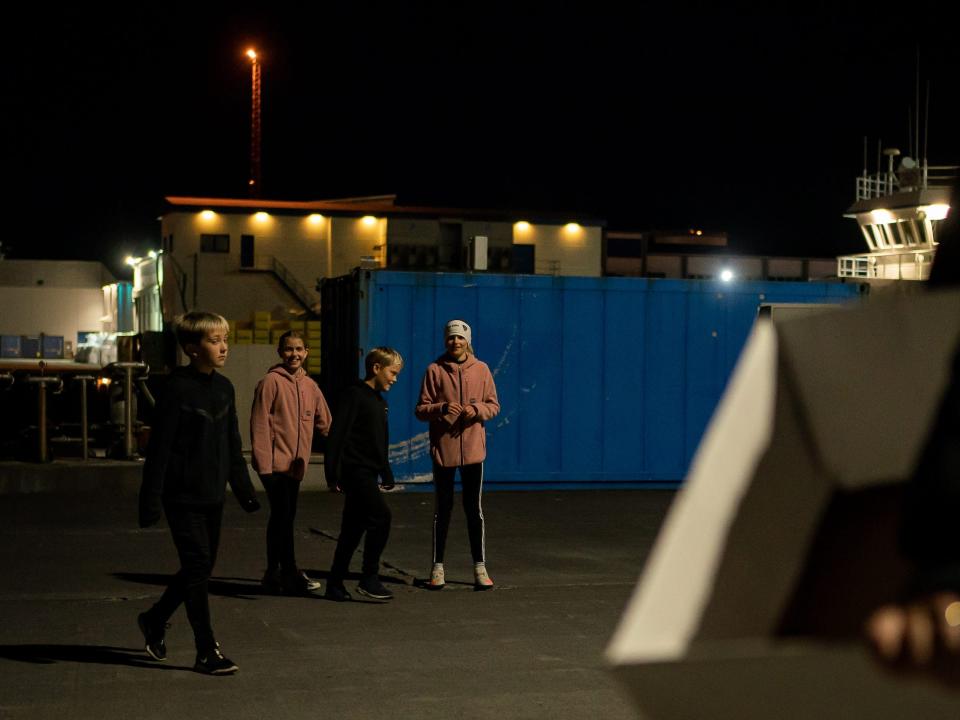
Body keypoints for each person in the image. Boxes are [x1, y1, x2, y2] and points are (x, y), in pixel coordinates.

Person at [137, 311, 260, 675]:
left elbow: (232, 443)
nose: (223, 347)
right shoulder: (176, 388)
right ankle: (206, 650)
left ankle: (155, 619)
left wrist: (244, 490)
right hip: (182, 497)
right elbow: (160, 449)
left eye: (224, 339)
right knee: (196, 568)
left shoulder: (224, 388)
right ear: (192, 349)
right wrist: (151, 501)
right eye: (213, 340)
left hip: (212, 497)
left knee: (200, 569)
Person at [415, 319, 500, 591]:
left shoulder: (482, 369)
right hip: (444, 452)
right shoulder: (434, 370)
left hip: (474, 452)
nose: (455, 342)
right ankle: (437, 568)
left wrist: (477, 411)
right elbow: (420, 409)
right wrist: (441, 408)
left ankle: (480, 567)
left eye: (460, 338)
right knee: (444, 509)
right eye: (451, 338)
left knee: (473, 510)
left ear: (468, 341)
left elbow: (493, 405)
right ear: (445, 341)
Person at [250, 330, 332, 595]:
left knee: (282, 519)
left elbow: (326, 423)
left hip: (296, 468)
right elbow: (259, 424)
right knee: (283, 518)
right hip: (274, 466)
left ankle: (272, 573)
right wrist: (263, 465)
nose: (294, 354)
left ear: (307, 352)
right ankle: (290, 573)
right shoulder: (270, 382)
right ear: (280, 352)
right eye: (288, 349)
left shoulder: (311, 386)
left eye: (299, 349)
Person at [323, 347, 403, 602]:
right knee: (381, 517)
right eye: (392, 372)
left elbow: (378, 440)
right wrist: (332, 473)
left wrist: (385, 469)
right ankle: (369, 577)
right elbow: (338, 434)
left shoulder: (379, 401)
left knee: (353, 527)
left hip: (368, 471)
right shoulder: (355, 395)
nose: (395, 379)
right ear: (376, 368)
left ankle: (335, 583)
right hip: (354, 471)